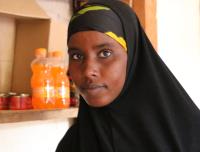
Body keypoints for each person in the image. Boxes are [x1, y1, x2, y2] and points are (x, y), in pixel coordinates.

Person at [56, 0, 200, 151]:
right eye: (77, 56)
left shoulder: (188, 135)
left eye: (105, 53)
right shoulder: (72, 145)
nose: (88, 71)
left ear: (133, 56)